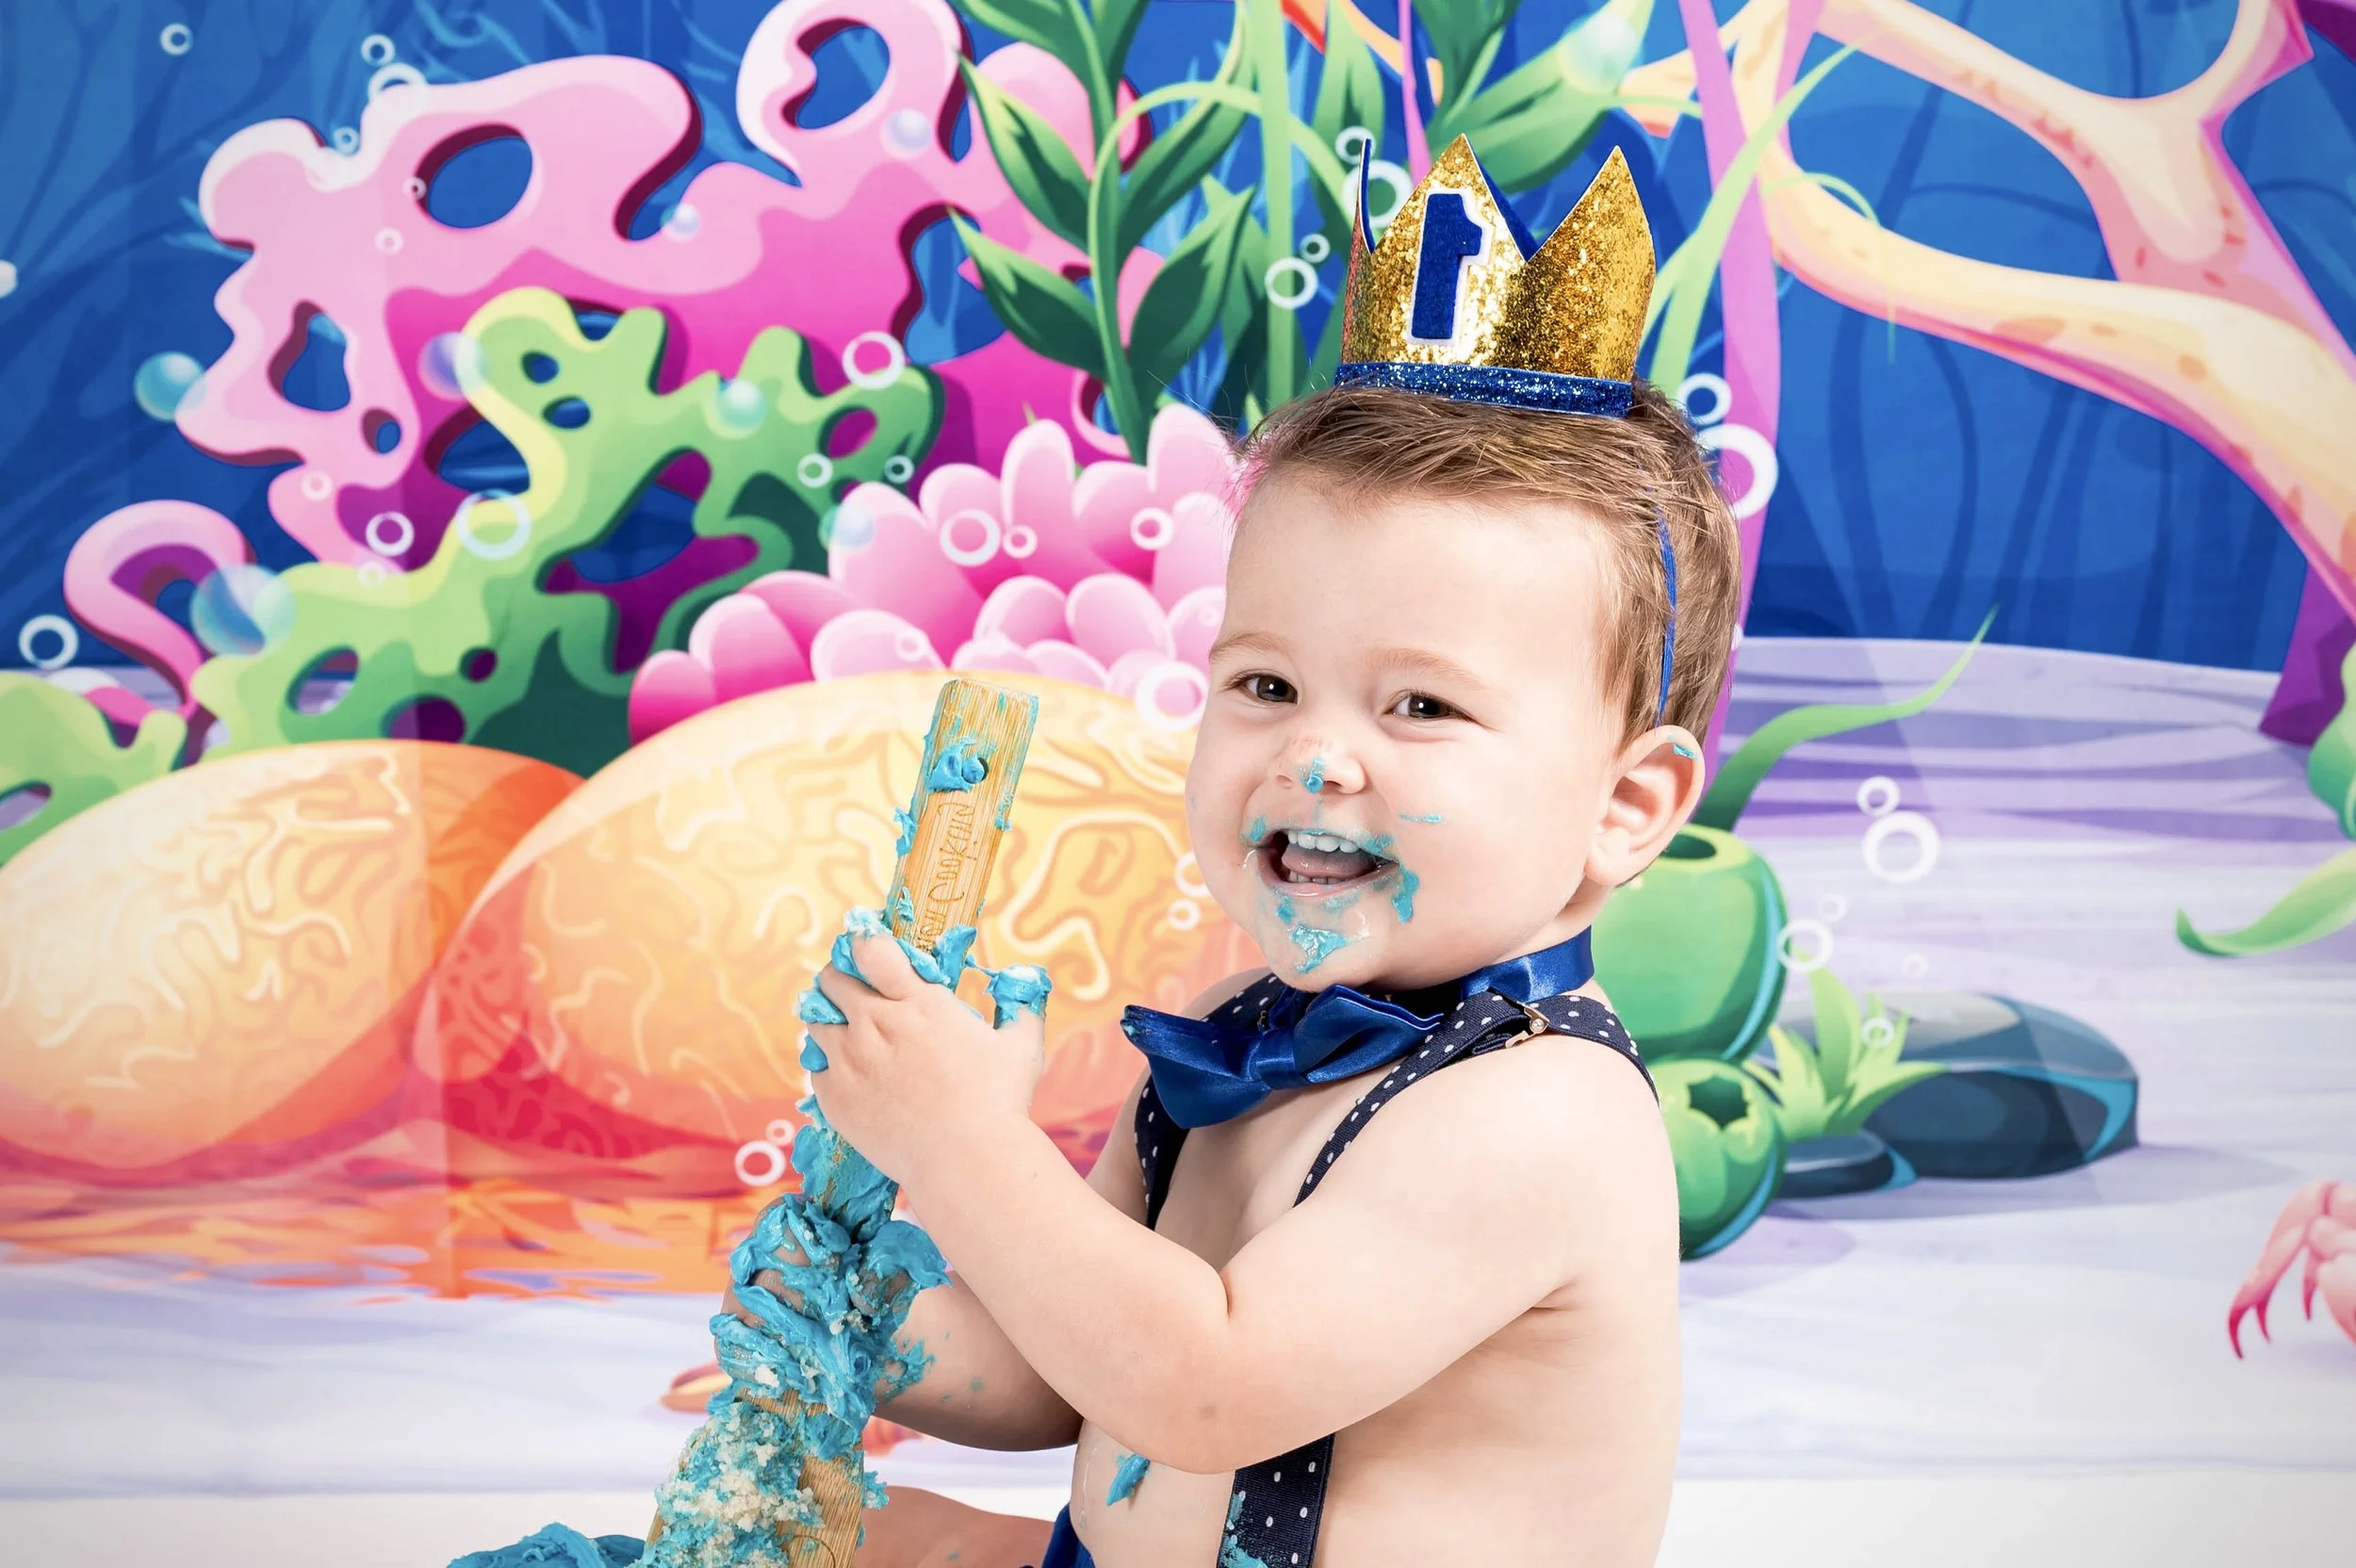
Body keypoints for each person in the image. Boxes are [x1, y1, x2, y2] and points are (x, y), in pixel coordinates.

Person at [799, 136, 1741, 1568]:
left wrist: (960, 1139)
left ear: (1623, 807)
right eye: (1264, 686)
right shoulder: (1239, 1059)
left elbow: (1202, 1385)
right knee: (859, 1537)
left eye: (1420, 705)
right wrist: (855, 1325)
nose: (1314, 754)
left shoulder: (1540, 1116)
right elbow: (1072, 1369)